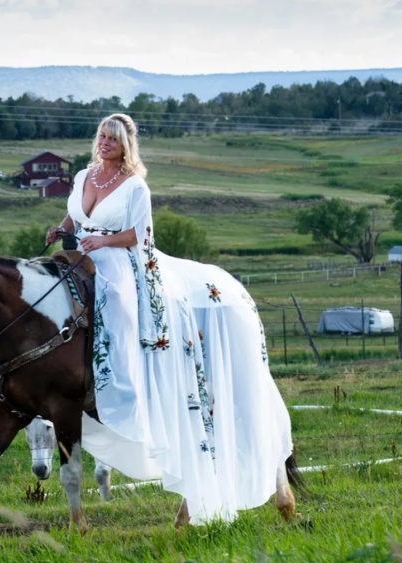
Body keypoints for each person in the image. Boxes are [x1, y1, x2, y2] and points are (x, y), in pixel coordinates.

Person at [45, 113, 293, 525]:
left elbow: (139, 237)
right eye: (102, 136)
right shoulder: (84, 175)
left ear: (126, 146)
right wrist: (61, 228)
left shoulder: (135, 186)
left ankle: (120, 376)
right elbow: (75, 218)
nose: (105, 142)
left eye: (113, 138)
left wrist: (102, 240)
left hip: (122, 262)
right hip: (80, 254)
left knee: (118, 301)